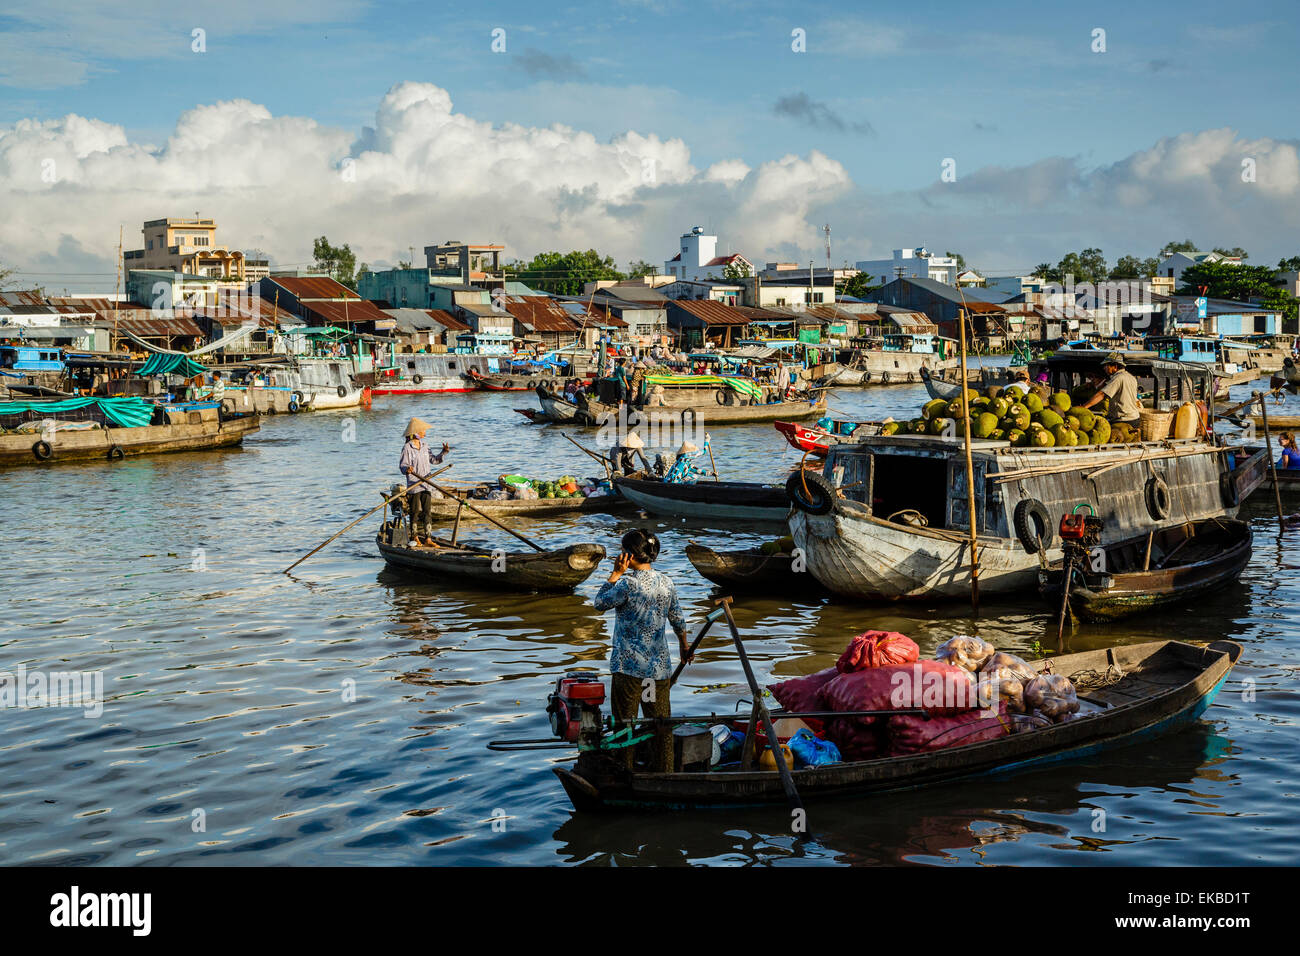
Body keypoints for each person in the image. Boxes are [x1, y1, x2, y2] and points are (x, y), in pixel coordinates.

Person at [592, 529, 690, 772]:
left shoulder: (627, 584)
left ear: (629, 555)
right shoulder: (667, 582)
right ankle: (665, 772)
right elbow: (677, 619)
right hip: (658, 669)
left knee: (624, 724)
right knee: (660, 725)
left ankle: (625, 772)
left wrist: (615, 573)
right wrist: (684, 645)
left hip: (629, 668)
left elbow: (599, 604)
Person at [398, 417, 448, 547]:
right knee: (414, 511)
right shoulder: (407, 448)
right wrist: (407, 469)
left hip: (426, 483)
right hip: (414, 484)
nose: (424, 432)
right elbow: (403, 466)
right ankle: (415, 537)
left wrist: (444, 452)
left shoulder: (425, 446)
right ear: (416, 432)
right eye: (422, 430)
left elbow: (434, 460)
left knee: (427, 511)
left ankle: (428, 538)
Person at [1079, 352, 1141, 428]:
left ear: (1115, 366)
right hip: (1135, 419)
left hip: (1124, 420)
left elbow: (1102, 394)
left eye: (1106, 365)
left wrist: (1084, 407)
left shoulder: (1118, 378)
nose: (1104, 368)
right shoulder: (1131, 377)